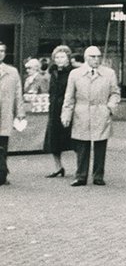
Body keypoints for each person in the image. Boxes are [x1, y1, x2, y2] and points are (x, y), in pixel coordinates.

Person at [61, 46, 119, 186]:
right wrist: (66, 114)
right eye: (93, 57)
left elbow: (115, 93)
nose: (96, 59)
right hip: (82, 112)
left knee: (100, 145)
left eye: (98, 56)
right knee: (82, 145)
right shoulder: (75, 74)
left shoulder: (109, 73)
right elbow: (69, 96)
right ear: (86, 58)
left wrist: (110, 107)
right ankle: (81, 176)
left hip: (101, 111)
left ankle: (98, 175)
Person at [43, 45, 73, 178]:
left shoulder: (72, 73)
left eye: (62, 57)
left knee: (74, 139)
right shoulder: (52, 73)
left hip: (67, 109)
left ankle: (81, 168)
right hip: (54, 110)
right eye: (57, 57)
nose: (59, 59)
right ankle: (58, 167)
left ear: (68, 58)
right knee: (53, 140)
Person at [0, 41, 26, 186]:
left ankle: (2, 174)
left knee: (3, 145)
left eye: (2, 51)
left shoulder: (12, 72)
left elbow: (18, 93)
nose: (0, 54)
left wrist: (20, 112)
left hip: (5, 113)